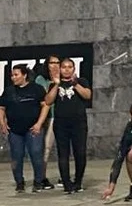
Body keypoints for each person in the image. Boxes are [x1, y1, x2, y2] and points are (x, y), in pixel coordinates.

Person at [43, 57, 92, 193]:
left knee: (80, 153)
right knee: (63, 154)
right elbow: (48, 101)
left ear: (74, 69)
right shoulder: (54, 84)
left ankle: (78, 182)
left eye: (69, 67)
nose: (66, 69)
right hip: (61, 124)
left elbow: (87, 95)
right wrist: (57, 85)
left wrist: (75, 84)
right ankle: (66, 183)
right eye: (64, 67)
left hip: (79, 123)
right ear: (60, 69)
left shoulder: (81, 81)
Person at [0, 64, 50, 192]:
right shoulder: (8, 91)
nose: (13, 77)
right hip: (15, 130)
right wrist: (2, 123)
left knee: (36, 154)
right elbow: (2, 108)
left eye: (16, 75)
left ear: (24, 75)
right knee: (16, 157)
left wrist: (39, 124)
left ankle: (38, 182)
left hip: (33, 129)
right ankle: (19, 182)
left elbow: (45, 106)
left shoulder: (37, 89)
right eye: (12, 75)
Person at [32, 56, 57, 190]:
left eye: (57, 63)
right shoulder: (41, 79)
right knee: (46, 148)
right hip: (49, 117)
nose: (55, 65)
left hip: (63, 117)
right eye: (52, 63)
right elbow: (45, 99)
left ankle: (64, 176)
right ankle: (41, 177)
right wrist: (55, 84)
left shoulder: (65, 77)